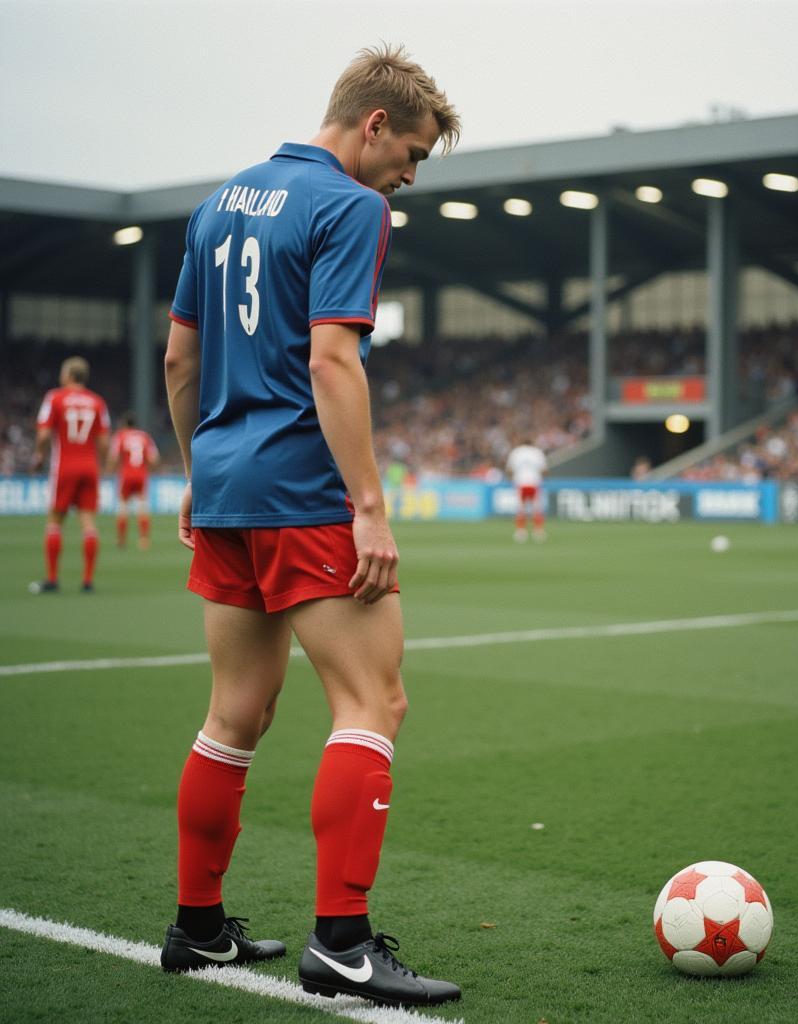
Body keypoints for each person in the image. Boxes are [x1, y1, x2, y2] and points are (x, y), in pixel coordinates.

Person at [160, 45, 461, 1008]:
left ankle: (198, 928)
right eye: (410, 151)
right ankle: (341, 941)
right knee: (374, 703)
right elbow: (333, 362)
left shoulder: (220, 203)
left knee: (233, 714)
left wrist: (197, 472)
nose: (410, 176)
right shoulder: (351, 206)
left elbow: (179, 359)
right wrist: (370, 506)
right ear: (372, 124)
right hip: (303, 491)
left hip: (228, 491)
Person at [29, 356, 110, 593]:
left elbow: (44, 436)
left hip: (64, 466)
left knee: (55, 521)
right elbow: (104, 441)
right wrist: (103, 466)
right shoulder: (97, 402)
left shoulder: (54, 397)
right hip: (89, 466)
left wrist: (39, 457)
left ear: (67, 375)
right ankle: (87, 581)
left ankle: (52, 579)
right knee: (88, 524)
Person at [107, 412, 160, 549]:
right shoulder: (144, 437)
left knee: (123, 507)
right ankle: (144, 540)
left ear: (124, 425)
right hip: (141, 475)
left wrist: (110, 469)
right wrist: (150, 469)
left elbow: (113, 457)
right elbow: (154, 458)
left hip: (126, 475)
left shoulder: (120, 436)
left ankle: (121, 540)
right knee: (142, 507)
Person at [506, 438, 548, 542]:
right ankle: (538, 532)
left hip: (520, 483)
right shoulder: (537, 452)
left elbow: (509, 469)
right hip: (534, 483)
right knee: (537, 508)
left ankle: (521, 532)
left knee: (520, 509)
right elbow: (544, 470)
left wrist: (513, 478)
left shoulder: (516, 452)